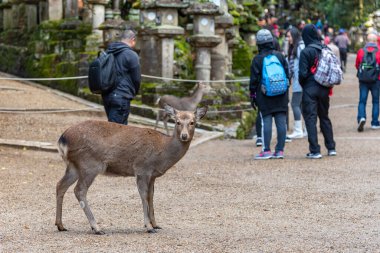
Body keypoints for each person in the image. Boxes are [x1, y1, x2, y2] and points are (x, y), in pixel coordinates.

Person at [250, 29, 289, 159]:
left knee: (266, 121)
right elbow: (288, 74)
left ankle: (266, 150)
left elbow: (254, 81)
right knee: (281, 122)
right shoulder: (280, 56)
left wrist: (253, 96)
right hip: (281, 93)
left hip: (264, 94)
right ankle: (280, 151)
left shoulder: (257, 59)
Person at [299, 24, 336, 159]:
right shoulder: (325, 48)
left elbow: (302, 74)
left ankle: (315, 150)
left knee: (310, 118)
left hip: (310, 88)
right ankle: (331, 147)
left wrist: (305, 84)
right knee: (324, 117)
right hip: (325, 88)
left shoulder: (306, 51)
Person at [102, 28, 141, 125]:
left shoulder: (108, 51)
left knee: (112, 126)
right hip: (122, 95)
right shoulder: (131, 55)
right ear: (133, 40)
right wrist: (134, 92)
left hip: (107, 94)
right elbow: (136, 78)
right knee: (117, 131)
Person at [355, 33, 380, 131]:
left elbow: (357, 65)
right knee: (376, 101)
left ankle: (361, 117)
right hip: (376, 79)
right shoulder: (379, 52)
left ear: (367, 41)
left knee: (362, 101)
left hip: (363, 80)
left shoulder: (361, 51)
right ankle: (374, 122)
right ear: (375, 41)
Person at [286, 27, 306, 139]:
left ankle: (298, 130)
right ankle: (306, 129)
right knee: (302, 105)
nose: (288, 39)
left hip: (300, 81)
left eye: (289, 36)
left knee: (295, 104)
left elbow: (302, 65)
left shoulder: (300, 47)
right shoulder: (296, 47)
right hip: (298, 80)